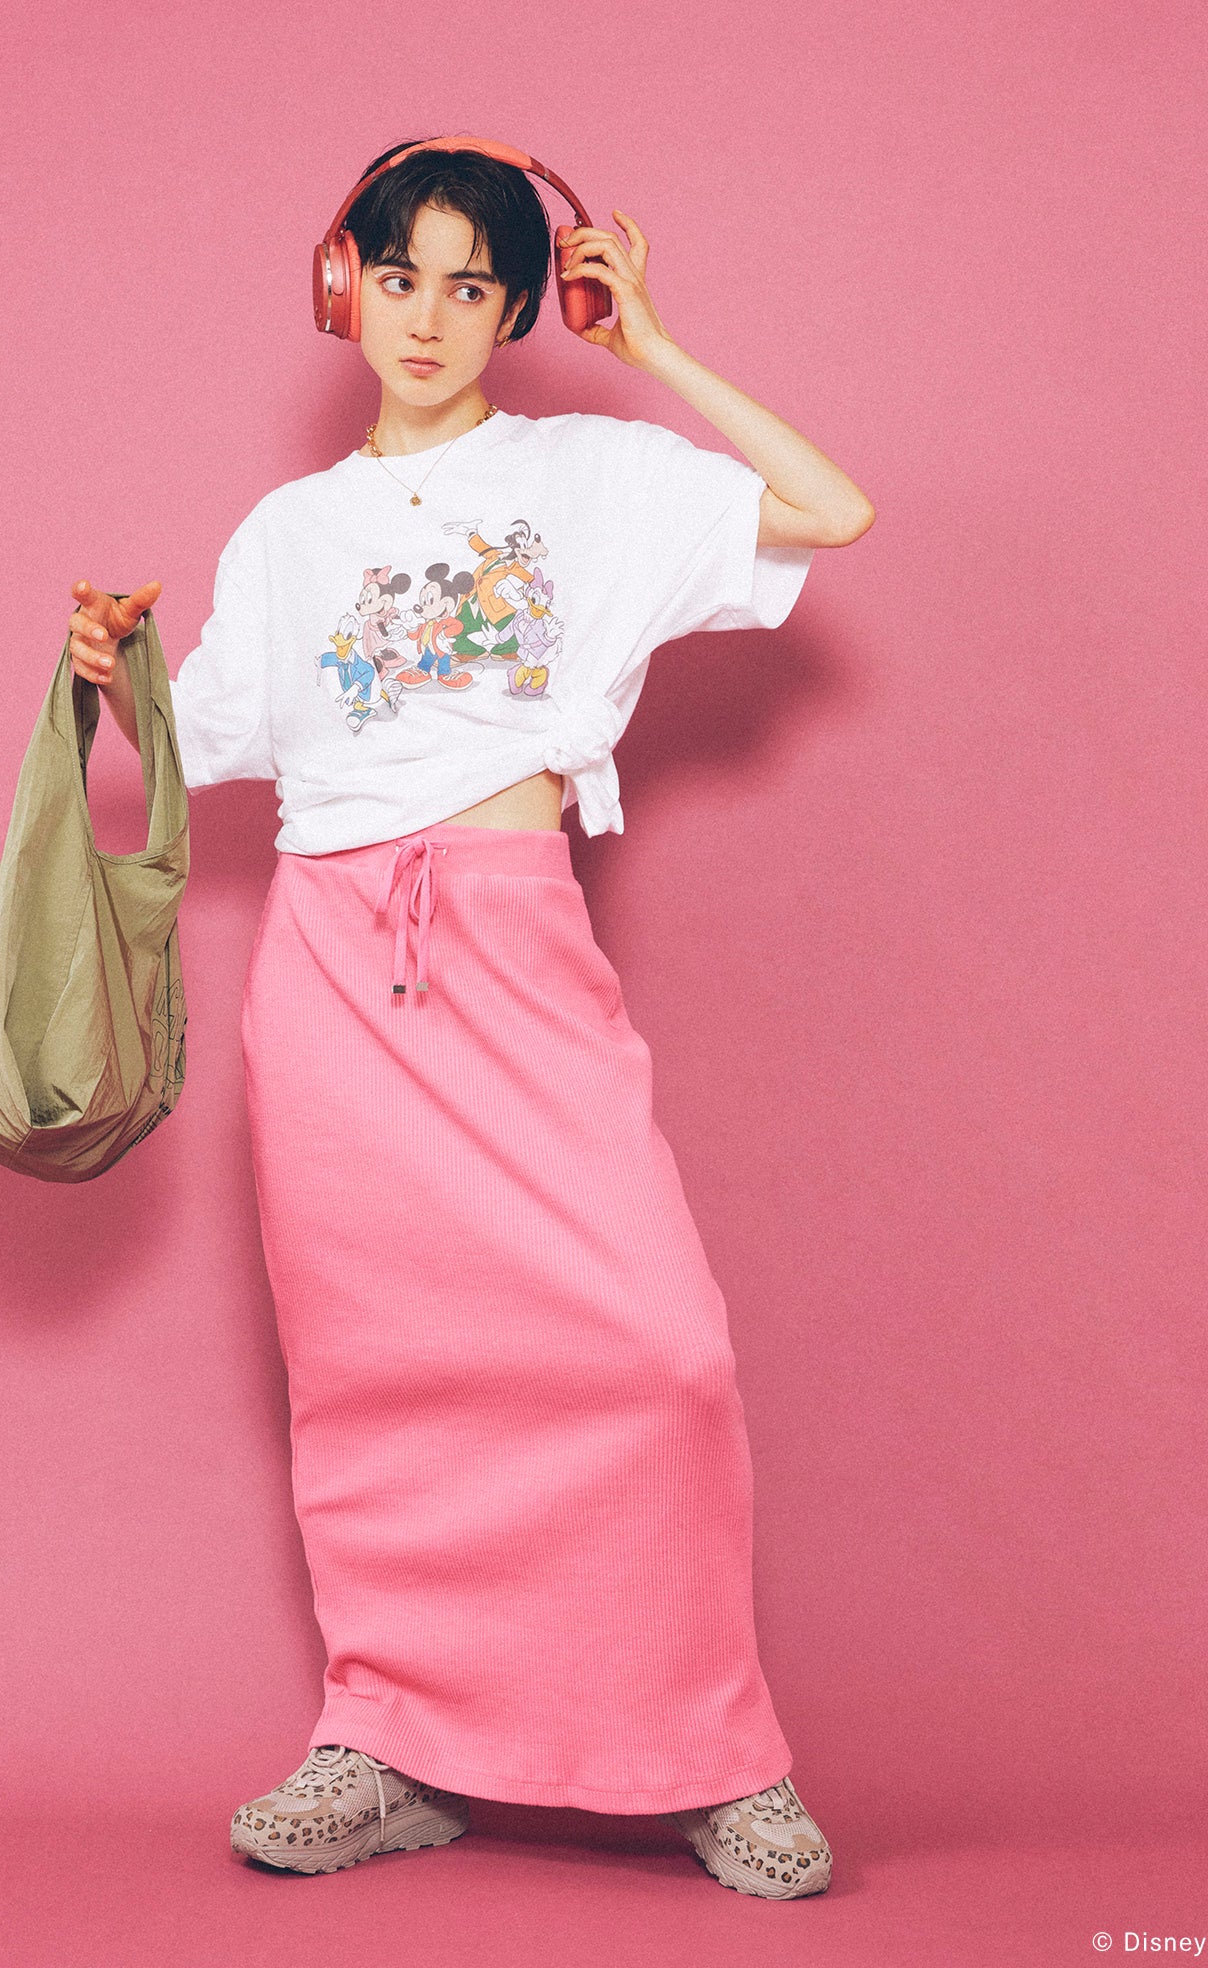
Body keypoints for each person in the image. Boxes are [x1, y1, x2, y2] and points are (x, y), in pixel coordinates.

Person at [66, 135, 873, 1899]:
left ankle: (716, 1757)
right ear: (342, 281)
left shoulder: (586, 474)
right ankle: (389, 1741)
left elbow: (829, 512)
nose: (426, 316)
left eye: (469, 285)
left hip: (510, 940)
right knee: (376, 1377)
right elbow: (206, 743)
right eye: (397, 274)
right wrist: (108, 677)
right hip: (331, 966)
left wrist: (651, 344)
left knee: (659, 1351)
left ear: (517, 311)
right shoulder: (288, 533)